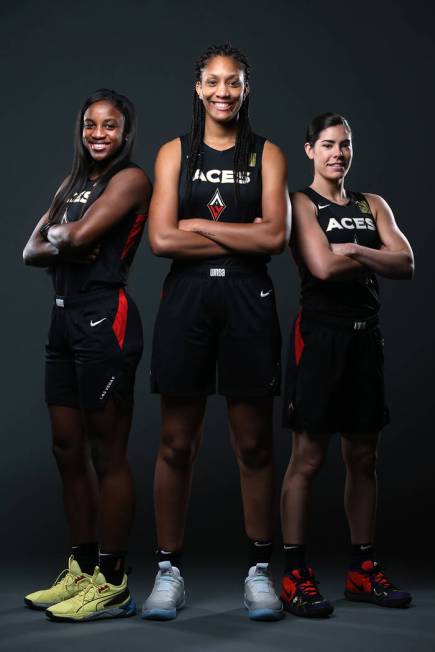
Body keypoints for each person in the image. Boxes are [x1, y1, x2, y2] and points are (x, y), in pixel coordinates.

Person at [142, 43, 291, 621]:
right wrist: (238, 231)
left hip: (248, 300)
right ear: (198, 88)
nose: (224, 91)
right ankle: (167, 571)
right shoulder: (174, 152)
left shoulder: (267, 154)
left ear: (245, 89)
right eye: (214, 82)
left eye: (234, 82)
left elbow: (275, 238)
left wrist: (197, 222)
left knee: (252, 443)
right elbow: (160, 241)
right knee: (177, 443)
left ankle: (258, 571)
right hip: (188, 300)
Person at [22, 89, 151, 622]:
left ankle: (113, 580)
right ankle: (79, 567)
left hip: (104, 319)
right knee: (65, 447)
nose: (99, 134)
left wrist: (65, 235)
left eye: (110, 126)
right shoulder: (72, 183)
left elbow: (75, 233)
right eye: (91, 125)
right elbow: (32, 250)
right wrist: (63, 237)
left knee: (107, 453)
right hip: (62, 317)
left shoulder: (131, 180)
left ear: (125, 133)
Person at [279, 112, 414, 618]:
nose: (339, 153)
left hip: (365, 340)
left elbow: (407, 263)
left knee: (363, 459)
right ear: (310, 150)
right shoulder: (299, 202)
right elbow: (321, 266)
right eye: (329, 144)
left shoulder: (371, 204)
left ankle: (362, 569)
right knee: (308, 459)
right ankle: (295, 573)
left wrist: (356, 245)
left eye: (346, 145)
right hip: (319, 339)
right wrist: (375, 252)